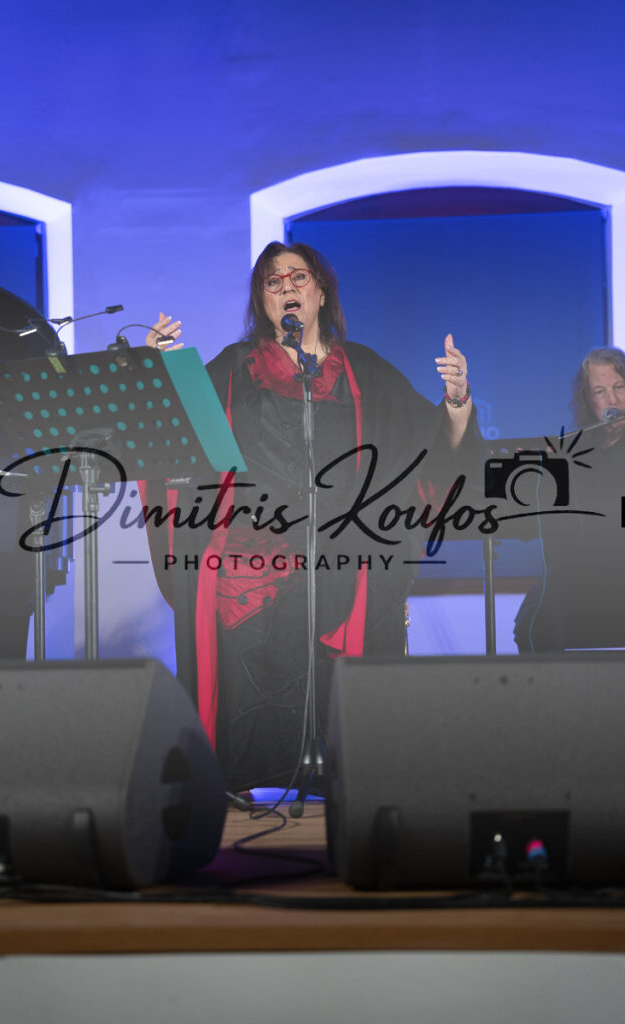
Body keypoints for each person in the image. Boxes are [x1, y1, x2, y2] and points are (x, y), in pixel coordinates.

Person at [146, 241, 479, 792]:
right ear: (262, 302)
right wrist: (160, 373)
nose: (287, 289)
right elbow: (170, 443)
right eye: (272, 283)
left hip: (347, 557)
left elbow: (432, 450)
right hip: (256, 561)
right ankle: (241, 779)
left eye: (298, 278)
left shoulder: (364, 371)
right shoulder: (233, 369)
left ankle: (352, 780)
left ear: (321, 293)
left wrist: (458, 401)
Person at [514, 347, 625, 652]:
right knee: (532, 624)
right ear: (587, 400)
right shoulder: (574, 446)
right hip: (580, 568)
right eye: (600, 391)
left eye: (619, 387)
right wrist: (540, 476)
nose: (613, 400)